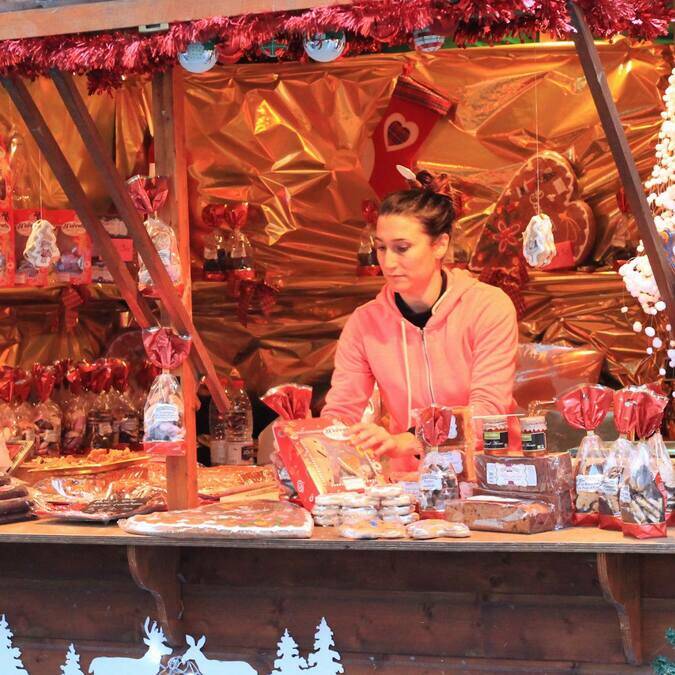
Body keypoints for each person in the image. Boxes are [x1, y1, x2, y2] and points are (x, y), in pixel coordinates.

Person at [321, 171, 519, 466]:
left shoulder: (488, 307)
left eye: (402, 248)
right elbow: (341, 411)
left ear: (439, 244)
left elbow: (487, 411)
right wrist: (317, 445)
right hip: (412, 480)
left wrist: (411, 439)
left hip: (490, 473)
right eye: (381, 248)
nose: (388, 262)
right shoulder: (364, 323)